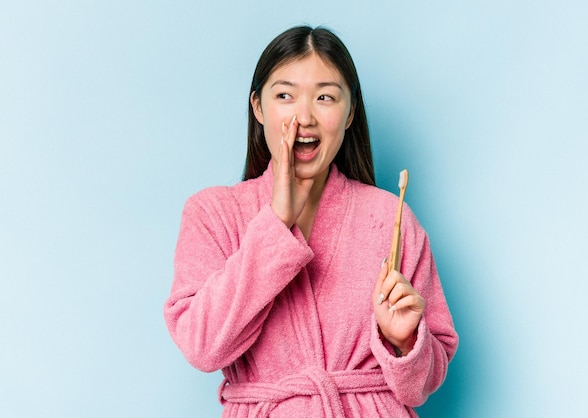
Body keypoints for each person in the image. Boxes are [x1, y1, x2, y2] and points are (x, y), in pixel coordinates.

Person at [164, 25, 458, 417]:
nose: (304, 116)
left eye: (325, 97)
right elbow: (202, 347)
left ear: (350, 111)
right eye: (285, 95)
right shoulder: (213, 214)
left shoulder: (391, 217)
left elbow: (425, 383)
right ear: (258, 107)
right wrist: (276, 223)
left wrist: (404, 341)